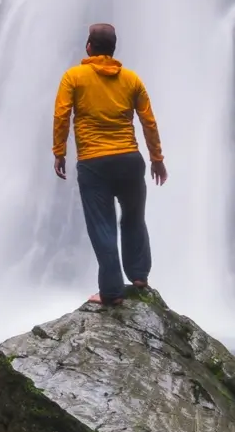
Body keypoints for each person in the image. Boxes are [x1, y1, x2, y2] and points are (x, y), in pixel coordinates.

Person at [51, 21, 166, 309]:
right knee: (133, 218)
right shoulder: (132, 80)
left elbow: (62, 115)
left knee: (102, 226)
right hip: (130, 159)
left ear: (88, 46)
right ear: (113, 49)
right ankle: (139, 276)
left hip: (94, 162)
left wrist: (59, 152)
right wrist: (157, 159)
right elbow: (148, 122)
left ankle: (111, 291)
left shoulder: (73, 77)